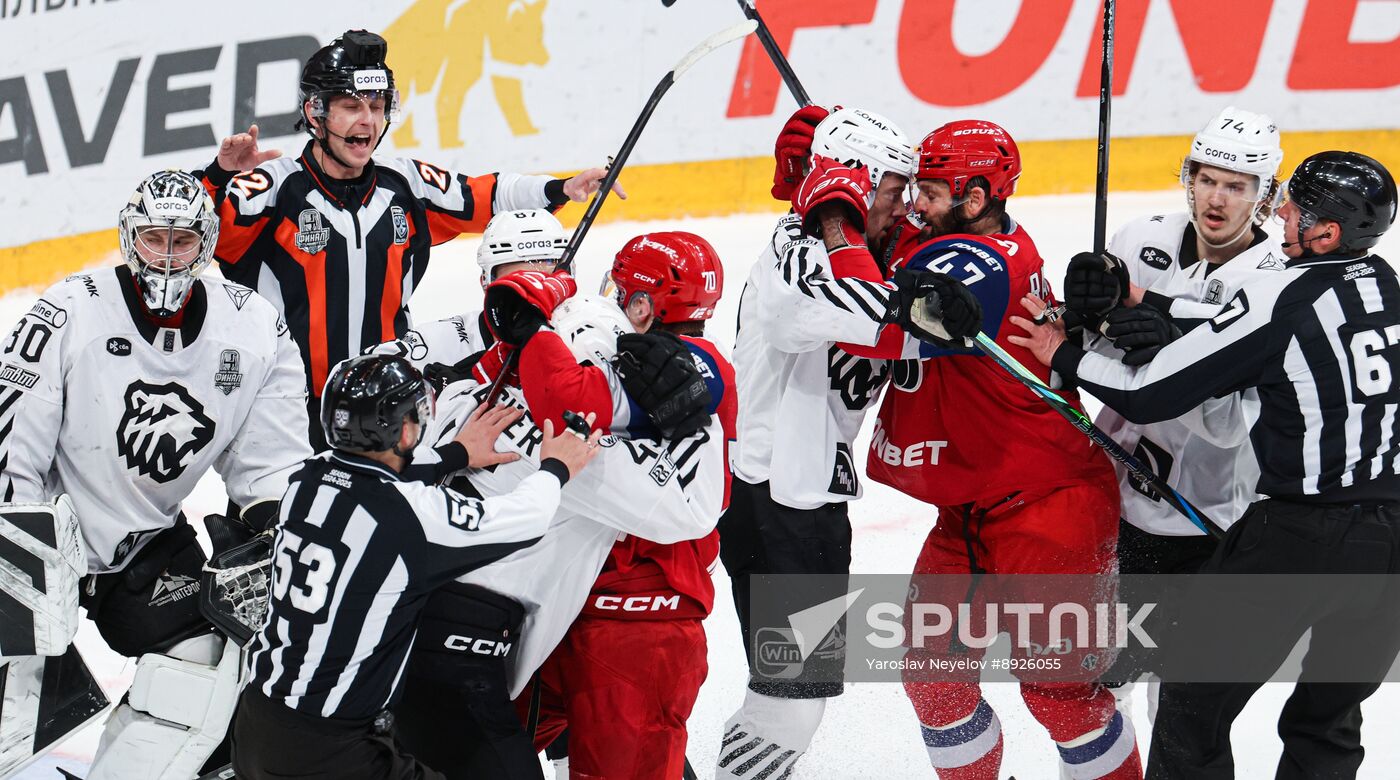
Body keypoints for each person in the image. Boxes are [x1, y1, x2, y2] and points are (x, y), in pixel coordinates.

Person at [759, 120, 1143, 779]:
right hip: (970, 507)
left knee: (1058, 695)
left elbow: (869, 323)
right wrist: (827, 155)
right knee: (934, 681)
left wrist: (836, 219)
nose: (915, 204)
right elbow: (889, 239)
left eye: (930, 193)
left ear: (975, 199)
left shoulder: (980, 263)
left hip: (1049, 506)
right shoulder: (942, 235)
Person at [1008, 151, 1400, 780]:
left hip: (1298, 540)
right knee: (1327, 722)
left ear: (1327, 233)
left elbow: (1150, 394)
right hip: (1388, 552)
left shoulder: (1283, 295)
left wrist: (1065, 355)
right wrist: (1140, 298)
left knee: (1191, 700)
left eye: (1294, 209)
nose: (1281, 215)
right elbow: (1246, 326)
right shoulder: (1383, 283)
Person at [0, 170, 313, 779]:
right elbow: (13, 446)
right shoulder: (68, 310)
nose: (167, 257)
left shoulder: (251, 326)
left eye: (183, 241)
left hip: (143, 537)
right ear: (129, 237)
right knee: (15, 706)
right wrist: (22, 567)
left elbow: (273, 460)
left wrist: (272, 526)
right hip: (41, 528)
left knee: (206, 668)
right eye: (154, 239)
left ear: (206, 243)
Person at [200, 30, 617, 448]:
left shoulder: (406, 184)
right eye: (351, 106)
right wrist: (217, 176)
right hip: (287, 408)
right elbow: (182, 235)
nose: (368, 120)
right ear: (315, 112)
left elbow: (484, 195)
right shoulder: (272, 189)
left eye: (377, 106)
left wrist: (561, 188)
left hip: (387, 404)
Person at [391, 268, 725, 779]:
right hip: (475, 651)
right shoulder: (578, 447)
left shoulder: (464, 396)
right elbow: (698, 508)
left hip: (396, 633)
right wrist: (694, 414)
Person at [232, 353, 598, 780]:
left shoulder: (305, 481)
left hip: (255, 721)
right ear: (407, 429)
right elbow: (526, 518)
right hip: (330, 754)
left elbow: (373, 473)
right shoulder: (412, 518)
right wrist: (556, 466)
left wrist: (456, 453)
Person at [1062, 108, 1286, 712]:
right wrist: (1081, 314)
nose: (1217, 198)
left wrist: (1168, 354)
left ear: (1264, 196)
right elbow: (1087, 348)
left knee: (1176, 695)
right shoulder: (1139, 239)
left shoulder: (1276, 282)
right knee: (1096, 684)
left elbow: (1233, 422)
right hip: (1114, 494)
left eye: (1236, 186)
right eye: (1207, 178)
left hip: (1205, 514)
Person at [717, 104, 917, 779]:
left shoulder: (844, 241)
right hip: (782, 504)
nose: (903, 208)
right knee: (792, 701)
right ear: (854, 183)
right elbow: (878, 321)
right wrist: (833, 215)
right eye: (893, 191)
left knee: (788, 695)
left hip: (789, 497)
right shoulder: (800, 253)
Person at [526, 232, 735, 779]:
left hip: (638, 615)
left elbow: (565, 400)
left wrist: (536, 329)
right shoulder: (682, 361)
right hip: (571, 601)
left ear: (642, 306)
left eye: (619, 292)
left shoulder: (682, 368)